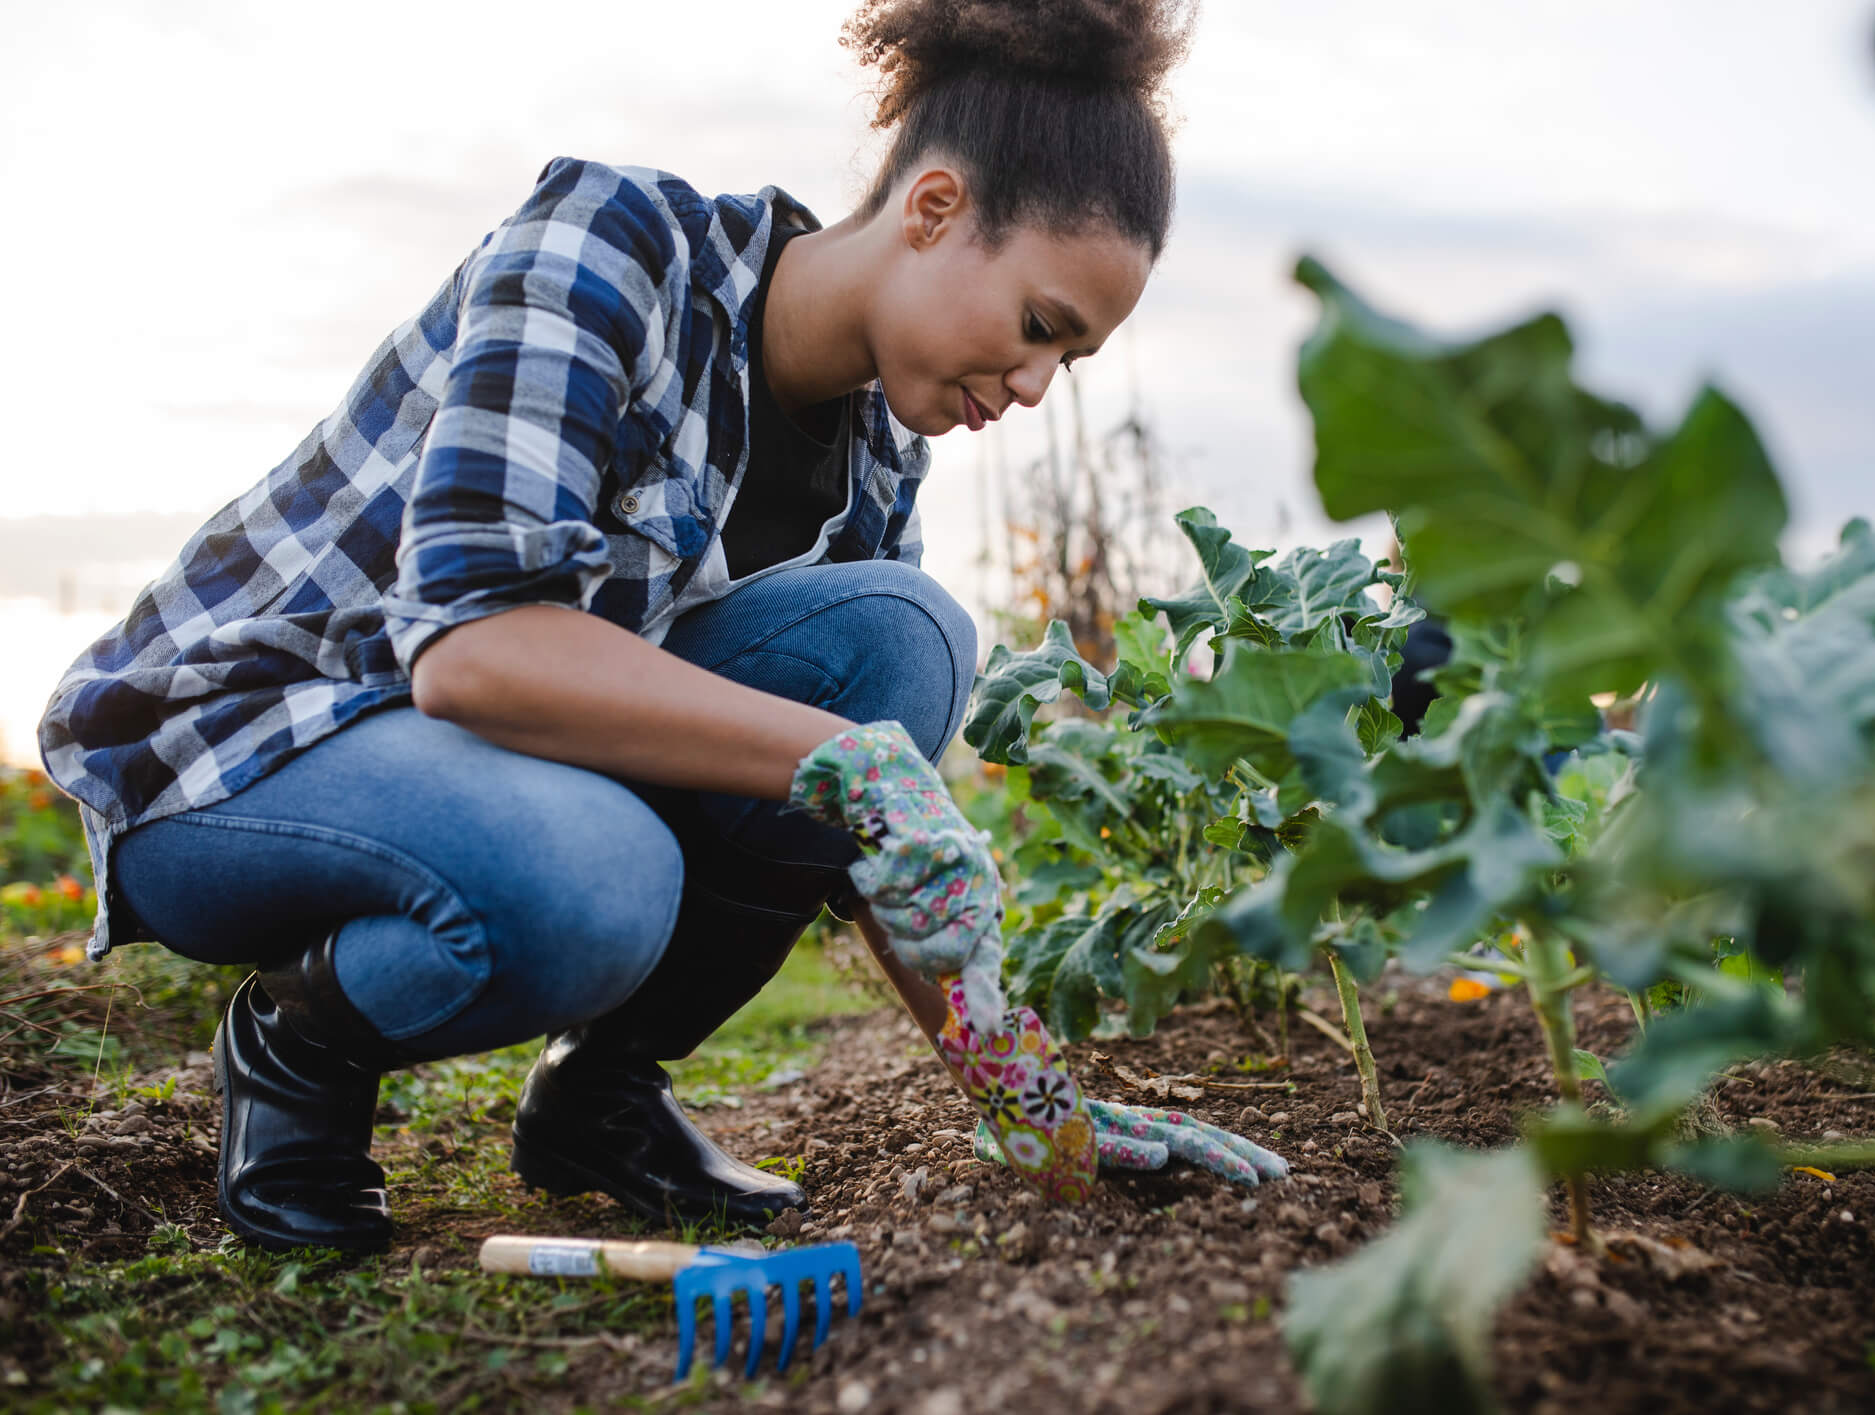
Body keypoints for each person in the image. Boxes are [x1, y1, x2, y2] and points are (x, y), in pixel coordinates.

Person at [35, 0, 1274, 1255]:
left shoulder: (879, 449)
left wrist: (1025, 1093)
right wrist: (841, 761)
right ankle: (297, 1038)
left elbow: (863, 823)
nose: (1032, 387)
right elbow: (476, 649)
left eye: (1071, 360)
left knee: (902, 638)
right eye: (1039, 327)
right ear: (934, 209)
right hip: (239, 752)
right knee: (600, 877)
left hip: (472, 770)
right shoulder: (615, 245)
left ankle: (601, 1095)